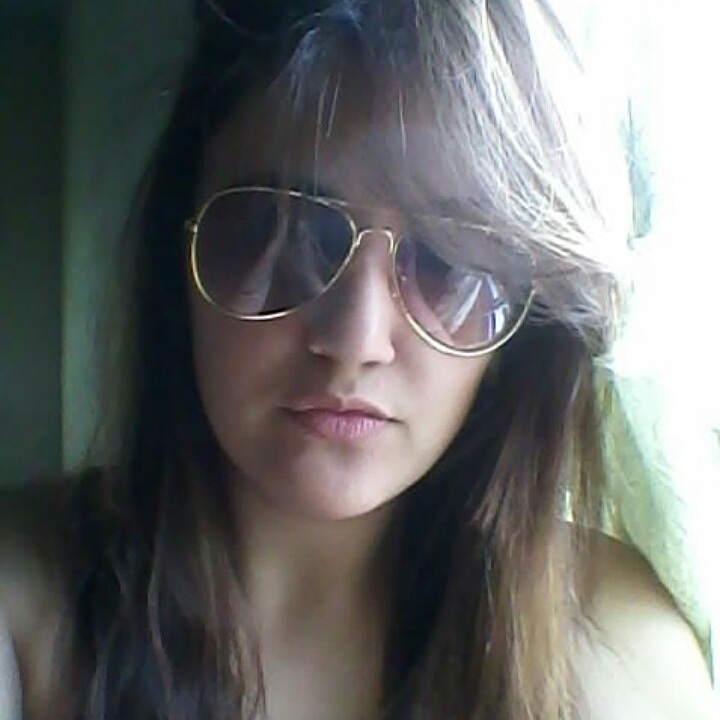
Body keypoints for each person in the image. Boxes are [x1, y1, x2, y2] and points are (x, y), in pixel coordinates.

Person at [0, 1, 716, 718]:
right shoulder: (25, 604)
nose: (357, 340)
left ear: (522, 329)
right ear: (178, 262)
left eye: (447, 262)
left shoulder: (609, 647)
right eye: (288, 234)